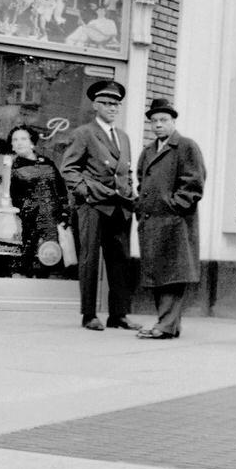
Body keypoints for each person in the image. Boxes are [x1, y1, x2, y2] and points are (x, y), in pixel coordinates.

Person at [59, 80, 141, 331]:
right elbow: (69, 170)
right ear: (95, 105)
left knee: (120, 262)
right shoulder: (84, 133)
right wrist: (86, 192)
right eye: (106, 103)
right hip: (94, 206)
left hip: (120, 207)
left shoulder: (124, 137)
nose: (112, 108)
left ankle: (118, 315)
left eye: (116, 104)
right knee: (89, 260)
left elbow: (125, 172)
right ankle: (89, 315)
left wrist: (130, 193)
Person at [134, 98, 206, 340]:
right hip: (152, 221)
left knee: (172, 275)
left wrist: (174, 206)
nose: (158, 125)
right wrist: (141, 208)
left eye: (163, 120)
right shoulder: (148, 151)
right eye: (154, 121)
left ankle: (165, 325)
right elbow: (141, 183)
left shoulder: (186, 146)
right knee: (158, 275)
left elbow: (194, 184)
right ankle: (169, 325)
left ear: (173, 121)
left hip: (175, 223)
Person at [7, 124, 68, 279]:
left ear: (32, 142)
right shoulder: (12, 166)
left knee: (51, 259)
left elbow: (60, 188)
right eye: (15, 140)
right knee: (31, 259)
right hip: (29, 221)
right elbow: (13, 197)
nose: (19, 142)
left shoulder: (46, 162)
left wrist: (64, 210)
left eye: (23, 139)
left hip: (54, 220)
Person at [14, 0, 79, 43]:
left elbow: (60, 40)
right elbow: (20, 23)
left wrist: (47, 20)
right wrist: (31, 17)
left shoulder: (64, 19)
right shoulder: (31, 9)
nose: (41, 1)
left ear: (53, 3)